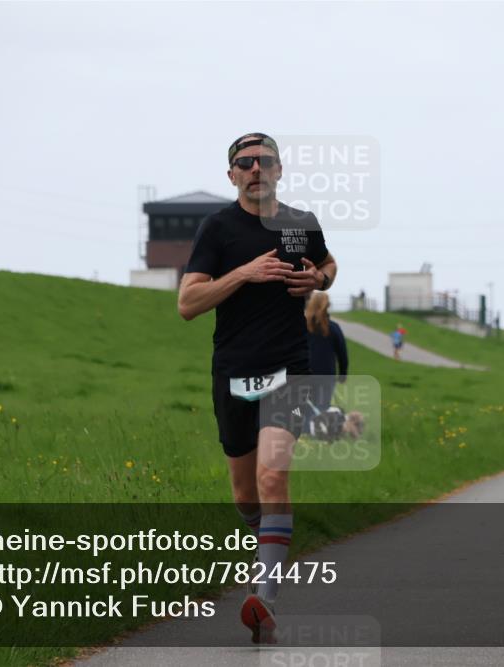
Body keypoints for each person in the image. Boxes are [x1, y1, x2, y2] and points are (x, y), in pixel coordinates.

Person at [177, 132, 337, 644]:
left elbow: (328, 265)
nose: (255, 169)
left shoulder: (299, 224)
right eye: (244, 163)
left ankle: (265, 596)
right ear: (231, 176)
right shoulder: (218, 228)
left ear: (279, 170)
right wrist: (244, 272)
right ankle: (269, 538)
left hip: (290, 370)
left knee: (272, 481)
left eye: (264, 161)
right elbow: (188, 303)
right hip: (233, 372)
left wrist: (320, 279)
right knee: (247, 494)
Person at [304, 291, 348, 431]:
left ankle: (306, 431)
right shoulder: (333, 328)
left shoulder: (301, 327)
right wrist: (343, 374)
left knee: (304, 406)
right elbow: (342, 354)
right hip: (326, 375)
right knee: (322, 405)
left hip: (304, 373)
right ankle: (323, 432)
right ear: (327, 306)